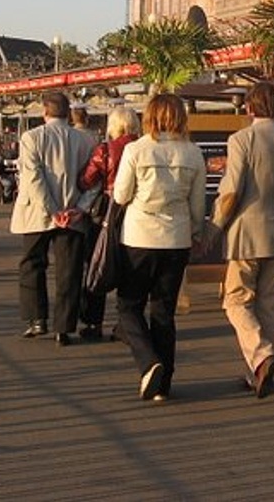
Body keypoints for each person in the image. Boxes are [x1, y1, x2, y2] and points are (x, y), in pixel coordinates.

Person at [209, 81, 274, 398]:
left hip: (246, 230)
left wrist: (215, 227)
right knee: (270, 303)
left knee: (236, 300)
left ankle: (261, 355)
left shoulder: (242, 139)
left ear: (250, 108)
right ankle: (257, 369)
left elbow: (231, 191)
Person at [113, 93, 206, 402]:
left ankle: (148, 361)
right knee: (164, 311)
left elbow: (121, 195)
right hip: (177, 238)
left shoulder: (136, 149)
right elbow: (197, 205)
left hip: (139, 236)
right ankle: (163, 383)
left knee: (128, 304)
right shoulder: (193, 153)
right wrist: (196, 232)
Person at [10, 91, 96, 344]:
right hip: (72, 214)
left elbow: (33, 177)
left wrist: (51, 209)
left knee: (32, 265)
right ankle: (64, 326)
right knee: (68, 270)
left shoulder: (31, 138)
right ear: (68, 113)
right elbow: (94, 181)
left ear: (44, 112)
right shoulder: (86, 141)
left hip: (37, 212)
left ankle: (37, 319)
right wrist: (79, 207)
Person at [77, 105, 141, 341]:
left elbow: (87, 180)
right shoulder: (143, 147)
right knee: (130, 269)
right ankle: (126, 323)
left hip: (107, 213)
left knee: (98, 263)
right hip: (136, 211)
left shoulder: (105, 150)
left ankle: (94, 322)